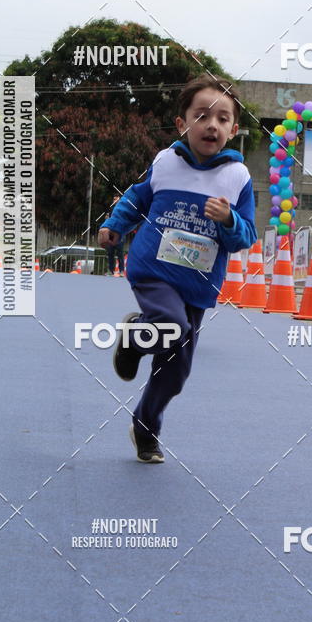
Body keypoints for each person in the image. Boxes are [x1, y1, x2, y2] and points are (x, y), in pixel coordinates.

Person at [98, 75, 257, 463]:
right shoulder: (165, 162)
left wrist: (228, 220)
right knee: (172, 326)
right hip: (154, 269)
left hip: (197, 283)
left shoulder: (238, 179)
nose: (211, 125)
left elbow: (245, 236)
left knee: (175, 373)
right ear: (182, 124)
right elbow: (137, 198)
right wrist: (115, 225)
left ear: (233, 130)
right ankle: (137, 336)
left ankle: (145, 426)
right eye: (201, 115)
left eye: (222, 119)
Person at [103, 196, 126, 275]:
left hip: (119, 234)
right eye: (114, 199)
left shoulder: (123, 210)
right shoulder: (110, 209)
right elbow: (107, 220)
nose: (115, 200)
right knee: (110, 253)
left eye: (117, 199)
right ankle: (110, 271)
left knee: (120, 253)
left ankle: (122, 271)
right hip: (111, 234)